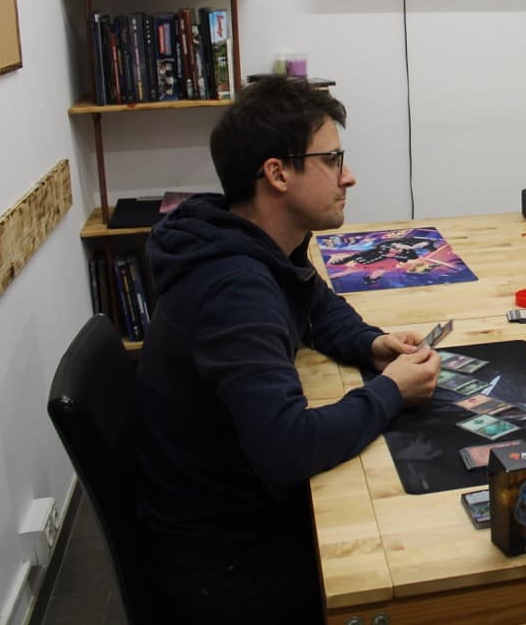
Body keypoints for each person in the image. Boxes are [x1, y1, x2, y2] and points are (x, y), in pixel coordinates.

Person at [134, 77, 441, 625]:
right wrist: (392, 391)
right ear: (277, 174)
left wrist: (372, 345)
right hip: (227, 563)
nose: (348, 176)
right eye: (332, 160)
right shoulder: (236, 290)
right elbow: (288, 448)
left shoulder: (248, 239)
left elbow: (316, 303)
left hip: (230, 512)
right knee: (418, 558)